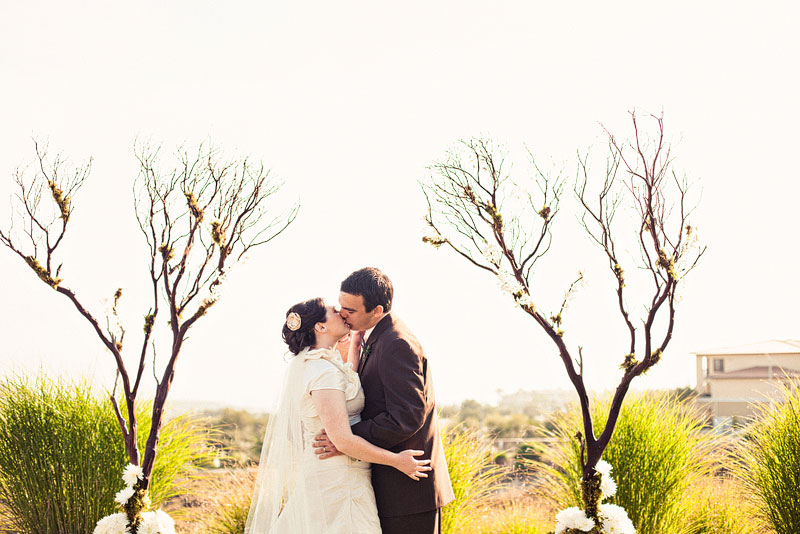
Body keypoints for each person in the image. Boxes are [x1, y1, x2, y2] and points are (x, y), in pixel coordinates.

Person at [244, 297, 432, 534]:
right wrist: (397, 461)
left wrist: (354, 345)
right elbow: (342, 440)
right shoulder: (322, 372)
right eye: (334, 311)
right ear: (320, 327)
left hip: (338, 474)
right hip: (339, 481)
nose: (341, 312)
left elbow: (345, 387)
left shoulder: (320, 365)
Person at [314, 267, 455, 534]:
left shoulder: (396, 343)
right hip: (392, 487)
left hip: (406, 490)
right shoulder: (373, 336)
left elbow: (406, 418)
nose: (342, 314)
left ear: (377, 311)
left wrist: (345, 438)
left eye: (351, 311)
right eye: (341, 306)